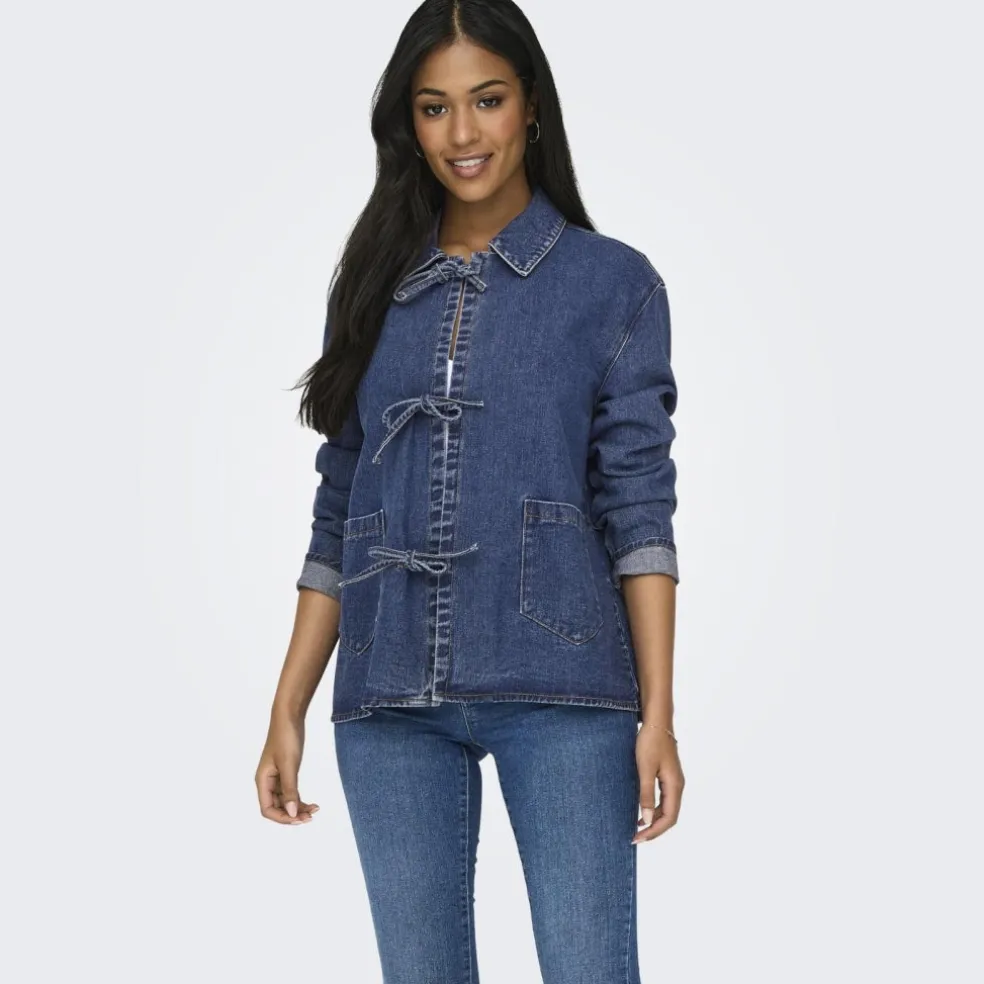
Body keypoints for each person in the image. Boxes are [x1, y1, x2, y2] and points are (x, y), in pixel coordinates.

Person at [255, 1, 685, 980]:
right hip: (388, 693)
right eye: (433, 107)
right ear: (408, 124)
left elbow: (639, 509)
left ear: (529, 103)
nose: (462, 133)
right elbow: (339, 508)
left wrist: (658, 713)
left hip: (562, 686)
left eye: (486, 100)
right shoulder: (372, 284)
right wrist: (288, 704)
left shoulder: (613, 285)